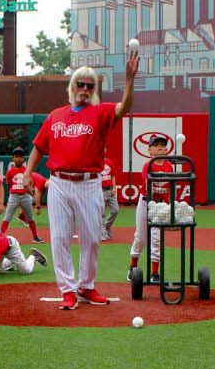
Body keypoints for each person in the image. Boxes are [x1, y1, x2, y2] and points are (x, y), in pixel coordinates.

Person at [23, 52, 138, 310]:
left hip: (89, 183)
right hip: (60, 183)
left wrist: (129, 81)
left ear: (94, 90)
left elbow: (124, 107)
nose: (85, 89)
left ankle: (86, 285)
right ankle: (67, 289)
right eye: (80, 84)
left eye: (90, 85)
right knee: (60, 238)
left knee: (91, 238)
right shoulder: (56, 116)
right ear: (72, 87)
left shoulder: (99, 113)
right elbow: (39, 147)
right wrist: (28, 172)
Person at [128, 135, 175, 279]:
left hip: (160, 205)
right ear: (149, 150)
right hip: (145, 203)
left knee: (156, 238)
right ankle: (132, 267)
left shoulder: (169, 166)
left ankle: (155, 273)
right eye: (156, 145)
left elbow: (171, 187)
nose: (159, 147)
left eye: (162, 144)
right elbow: (148, 183)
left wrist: (170, 205)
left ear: (167, 149)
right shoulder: (147, 165)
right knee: (140, 237)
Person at [0, 147, 43, 243]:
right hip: (14, 196)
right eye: (16, 156)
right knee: (7, 217)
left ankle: (35, 237)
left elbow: (30, 182)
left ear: (23, 159)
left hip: (25, 196)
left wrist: (30, 193)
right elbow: (9, 184)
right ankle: (0, 237)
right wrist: (14, 191)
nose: (18, 159)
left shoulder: (26, 170)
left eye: (20, 157)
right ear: (13, 158)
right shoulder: (10, 172)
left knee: (30, 217)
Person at [99, 157, 119, 240]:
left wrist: (114, 187)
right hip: (99, 190)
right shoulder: (94, 161)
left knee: (115, 210)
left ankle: (106, 227)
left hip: (110, 189)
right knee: (101, 212)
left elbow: (113, 175)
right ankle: (102, 233)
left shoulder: (108, 161)